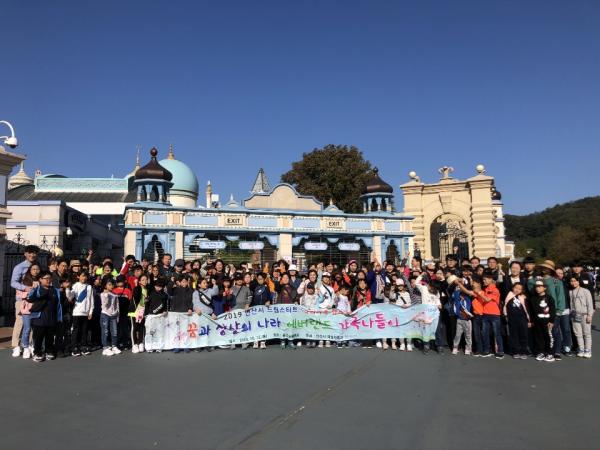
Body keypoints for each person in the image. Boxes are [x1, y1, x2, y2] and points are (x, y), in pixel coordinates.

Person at [26, 270, 62, 362]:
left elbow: (58, 305)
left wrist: (59, 317)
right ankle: (37, 353)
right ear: (40, 279)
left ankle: (48, 351)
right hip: (39, 318)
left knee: (50, 337)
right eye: (46, 278)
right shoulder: (37, 289)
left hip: (51, 317)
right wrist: (33, 289)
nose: (48, 280)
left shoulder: (55, 290)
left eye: (50, 278)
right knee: (38, 337)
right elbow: (29, 298)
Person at [10, 244, 39, 358]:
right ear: (25, 254)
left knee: (32, 323)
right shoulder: (19, 267)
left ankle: (29, 345)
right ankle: (16, 346)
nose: (32, 255)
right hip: (21, 299)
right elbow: (13, 282)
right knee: (20, 323)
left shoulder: (38, 266)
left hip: (34, 299)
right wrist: (25, 288)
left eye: (34, 253)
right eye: (30, 252)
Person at [476, 271, 504, 359]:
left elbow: (487, 299)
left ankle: (500, 351)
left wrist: (479, 293)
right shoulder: (485, 289)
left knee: (497, 333)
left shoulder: (495, 290)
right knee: (485, 333)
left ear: (491, 279)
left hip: (495, 314)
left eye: (485, 279)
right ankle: (487, 350)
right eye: (483, 279)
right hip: (485, 314)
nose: (483, 281)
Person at [530, 279, 556, 362]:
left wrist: (551, 321)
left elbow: (553, 310)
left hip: (547, 322)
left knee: (549, 337)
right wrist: (532, 321)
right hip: (537, 322)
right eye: (536, 287)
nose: (537, 288)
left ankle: (550, 353)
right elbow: (531, 311)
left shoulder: (549, 298)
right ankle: (541, 352)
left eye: (539, 286)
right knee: (539, 337)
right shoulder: (533, 298)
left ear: (544, 287)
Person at [503, 283, 531, 359]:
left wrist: (529, 320)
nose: (517, 290)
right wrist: (506, 315)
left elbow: (527, 309)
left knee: (523, 335)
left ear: (522, 290)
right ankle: (516, 351)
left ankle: (523, 351)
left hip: (522, 319)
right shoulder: (509, 295)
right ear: (512, 288)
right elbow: (505, 306)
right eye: (516, 288)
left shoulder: (523, 297)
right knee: (514, 336)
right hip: (512, 319)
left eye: (519, 289)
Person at [569, 275, 594, 358]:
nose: (573, 283)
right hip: (575, 315)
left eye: (575, 281)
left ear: (578, 281)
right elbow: (571, 304)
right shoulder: (570, 292)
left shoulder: (586, 291)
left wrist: (590, 315)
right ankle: (581, 349)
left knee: (587, 333)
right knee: (578, 333)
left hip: (585, 314)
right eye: (571, 281)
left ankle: (588, 350)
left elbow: (590, 304)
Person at [168, 274, 194, 353]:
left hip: (185, 312)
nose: (184, 283)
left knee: (184, 330)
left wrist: (190, 308)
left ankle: (185, 345)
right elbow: (169, 291)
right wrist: (171, 282)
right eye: (183, 282)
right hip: (176, 312)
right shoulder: (175, 289)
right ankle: (176, 346)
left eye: (186, 282)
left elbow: (191, 301)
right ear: (179, 282)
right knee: (176, 330)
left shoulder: (190, 290)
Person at [71, 271, 95, 356]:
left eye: (85, 276)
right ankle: (74, 347)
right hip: (77, 312)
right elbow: (71, 296)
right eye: (82, 276)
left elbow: (91, 300)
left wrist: (90, 312)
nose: (84, 278)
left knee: (84, 331)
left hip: (86, 313)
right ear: (78, 276)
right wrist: (67, 289)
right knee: (76, 331)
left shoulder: (89, 287)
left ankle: (83, 346)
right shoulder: (75, 285)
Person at [450, 276, 473, 355]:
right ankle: (455, 347)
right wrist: (457, 282)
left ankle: (468, 348)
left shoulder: (468, 297)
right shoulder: (456, 296)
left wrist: (461, 282)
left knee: (468, 335)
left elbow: (467, 289)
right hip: (459, 319)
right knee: (457, 335)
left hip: (467, 319)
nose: (461, 295)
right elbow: (454, 290)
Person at [144, 277, 169, 353]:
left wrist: (165, 311)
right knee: (149, 332)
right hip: (151, 315)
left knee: (159, 332)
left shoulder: (165, 295)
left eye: (160, 286)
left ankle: (159, 346)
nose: (158, 288)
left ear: (163, 287)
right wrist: (146, 314)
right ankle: (149, 347)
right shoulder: (150, 293)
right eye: (157, 286)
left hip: (160, 315)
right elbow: (147, 304)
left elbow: (166, 305)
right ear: (154, 286)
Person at [100, 278, 121, 357]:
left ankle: (114, 346)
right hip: (105, 314)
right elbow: (105, 305)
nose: (111, 286)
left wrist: (117, 315)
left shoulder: (114, 294)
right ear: (105, 286)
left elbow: (117, 305)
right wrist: (106, 295)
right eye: (109, 285)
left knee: (114, 331)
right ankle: (105, 348)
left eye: (112, 285)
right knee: (105, 331)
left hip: (114, 315)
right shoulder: (103, 294)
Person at [250, 273, 271, 349]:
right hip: (255, 309)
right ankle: (255, 341)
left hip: (264, 309)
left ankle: (263, 341)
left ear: (264, 279)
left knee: (263, 324)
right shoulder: (254, 287)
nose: (260, 280)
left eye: (261, 279)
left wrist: (268, 301)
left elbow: (269, 297)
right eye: (258, 279)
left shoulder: (266, 287)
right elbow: (251, 297)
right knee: (255, 324)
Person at [129, 273, 148, 353]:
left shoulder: (147, 289)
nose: (145, 281)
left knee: (141, 327)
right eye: (143, 280)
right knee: (134, 327)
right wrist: (144, 300)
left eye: (146, 280)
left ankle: (140, 343)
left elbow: (146, 301)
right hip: (135, 311)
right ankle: (134, 345)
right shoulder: (137, 288)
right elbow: (136, 298)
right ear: (139, 281)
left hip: (142, 311)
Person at [113, 275, 133, 350]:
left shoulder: (128, 291)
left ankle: (125, 342)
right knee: (117, 328)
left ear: (124, 281)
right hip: (116, 312)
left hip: (125, 312)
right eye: (118, 281)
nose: (119, 283)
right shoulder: (114, 291)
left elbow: (131, 302)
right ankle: (118, 342)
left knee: (125, 328)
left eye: (121, 281)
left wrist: (130, 312)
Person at [298, 282, 319, 348]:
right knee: (307, 328)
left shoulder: (317, 296)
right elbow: (302, 305)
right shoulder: (303, 296)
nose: (310, 289)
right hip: (306, 314)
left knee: (314, 328)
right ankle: (308, 340)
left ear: (314, 289)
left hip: (314, 314)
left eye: (311, 288)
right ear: (307, 289)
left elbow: (319, 305)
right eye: (309, 288)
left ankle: (314, 341)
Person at [335, 284, 352, 348]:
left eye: (348, 291)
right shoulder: (339, 296)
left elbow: (348, 305)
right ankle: (339, 341)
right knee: (339, 328)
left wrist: (349, 311)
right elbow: (335, 300)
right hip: (339, 314)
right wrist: (337, 296)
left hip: (345, 315)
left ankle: (344, 340)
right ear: (342, 290)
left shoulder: (346, 297)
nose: (347, 292)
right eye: (346, 290)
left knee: (345, 328)